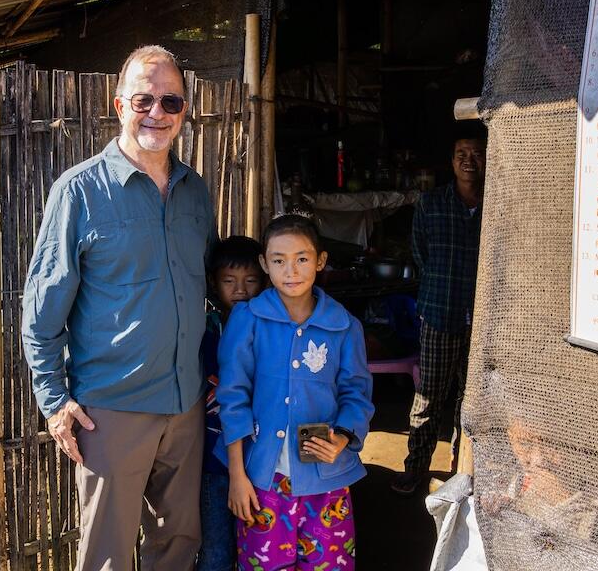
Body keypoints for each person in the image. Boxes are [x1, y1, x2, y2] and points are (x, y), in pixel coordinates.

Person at [21, 45, 216, 571]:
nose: (157, 112)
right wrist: (55, 401)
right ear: (119, 105)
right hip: (112, 410)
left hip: (185, 404)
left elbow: (206, 293)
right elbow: (41, 312)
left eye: (170, 101)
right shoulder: (79, 192)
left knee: (177, 543)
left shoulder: (195, 192)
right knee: (107, 556)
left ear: (185, 110)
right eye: (144, 99)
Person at [216, 214, 374, 571]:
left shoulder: (344, 326)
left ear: (320, 261)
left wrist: (344, 437)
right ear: (264, 264)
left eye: (302, 258)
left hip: (327, 479)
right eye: (278, 260)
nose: (291, 270)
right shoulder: (249, 319)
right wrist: (238, 477)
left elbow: (357, 392)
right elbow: (233, 398)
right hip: (262, 481)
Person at [391, 136, 486, 495]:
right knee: (429, 397)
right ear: (452, 160)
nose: (469, 160)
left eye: (477, 153)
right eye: (462, 154)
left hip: (483, 322)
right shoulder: (430, 205)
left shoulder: (496, 203)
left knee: (471, 401)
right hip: (440, 314)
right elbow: (421, 255)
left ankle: (460, 474)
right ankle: (415, 469)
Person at [198, 236, 266, 571]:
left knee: (257, 545)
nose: (240, 290)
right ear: (213, 283)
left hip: (258, 461)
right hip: (212, 461)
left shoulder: (268, 329)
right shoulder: (203, 332)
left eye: (250, 281)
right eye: (229, 281)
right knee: (216, 547)